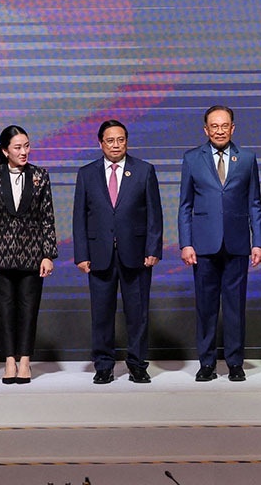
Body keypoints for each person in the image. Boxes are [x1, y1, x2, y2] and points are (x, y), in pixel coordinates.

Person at [178, 105, 261, 382]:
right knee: (205, 307)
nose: (219, 130)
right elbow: (185, 206)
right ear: (206, 129)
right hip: (203, 246)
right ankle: (206, 363)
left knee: (234, 307)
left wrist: (259, 242)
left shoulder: (247, 158)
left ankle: (235, 363)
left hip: (238, 243)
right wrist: (186, 243)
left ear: (233, 128)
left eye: (224, 125)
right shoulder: (192, 158)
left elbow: (255, 203)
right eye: (214, 126)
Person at [73, 120, 163, 384]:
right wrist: (81, 254)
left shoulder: (144, 170)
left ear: (127, 141)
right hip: (99, 254)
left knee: (138, 313)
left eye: (121, 140)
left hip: (136, 254)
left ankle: (137, 364)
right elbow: (79, 217)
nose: (116, 145)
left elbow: (154, 215)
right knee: (101, 314)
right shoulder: (86, 173)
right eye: (110, 140)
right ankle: (103, 365)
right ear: (100, 143)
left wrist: (153, 248)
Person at [0, 125, 56, 384]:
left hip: (32, 254)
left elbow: (47, 218)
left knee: (29, 308)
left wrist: (48, 254)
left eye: (27, 146)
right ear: (4, 150)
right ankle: (9, 360)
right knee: (4, 309)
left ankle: (25, 361)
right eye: (17, 147)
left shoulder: (40, 176)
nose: (24, 152)